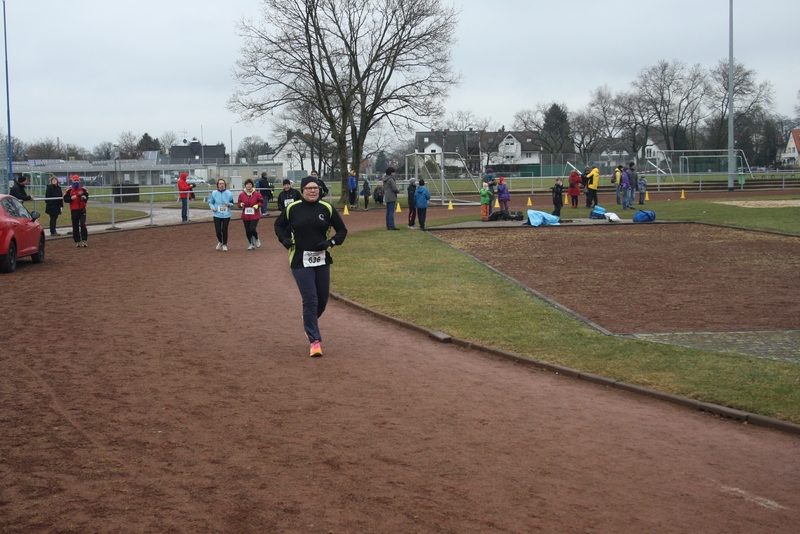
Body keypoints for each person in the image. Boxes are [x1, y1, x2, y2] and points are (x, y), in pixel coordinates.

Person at [274, 175, 348, 357]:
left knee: (322, 300)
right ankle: (315, 341)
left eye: (316, 188)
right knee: (310, 300)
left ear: (320, 190)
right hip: (300, 259)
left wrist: (331, 242)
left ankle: (309, 318)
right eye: (309, 188)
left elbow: (342, 230)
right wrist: (284, 240)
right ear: (303, 190)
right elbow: (278, 225)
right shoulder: (292, 208)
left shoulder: (327, 208)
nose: (313, 191)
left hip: (321, 259)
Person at [238, 178, 264, 250]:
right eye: (247, 184)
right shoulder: (242, 194)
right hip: (245, 215)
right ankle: (251, 244)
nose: (248, 185)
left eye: (250, 184)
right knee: (247, 230)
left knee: (252, 229)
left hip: (255, 215)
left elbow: (261, 202)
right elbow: (239, 204)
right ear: (245, 185)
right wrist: (241, 204)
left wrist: (257, 205)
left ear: (252, 185)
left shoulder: (257, 194)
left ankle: (257, 239)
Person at [209, 178, 234, 251]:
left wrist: (229, 204)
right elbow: (210, 202)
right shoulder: (214, 193)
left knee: (224, 230)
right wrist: (212, 207)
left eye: (223, 183)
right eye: (220, 184)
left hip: (226, 215)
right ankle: (220, 241)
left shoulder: (229, 193)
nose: (221, 185)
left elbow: (232, 203)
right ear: (218, 185)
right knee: (218, 231)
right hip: (217, 214)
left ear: (225, 185)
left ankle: (225, 245)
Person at [63, 175, 89, 248]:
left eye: (77, 180)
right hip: (74, 210)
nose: (76, 182)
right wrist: (71, 198)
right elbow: (65, 199)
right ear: (72, 181)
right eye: (75, 180)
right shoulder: (69, 190)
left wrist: (84, 197)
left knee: (83, 225)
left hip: (82, 209)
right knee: (75, 226)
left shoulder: (83, 189)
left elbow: (87, 196)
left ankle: (84, 240)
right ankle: (77, 241)